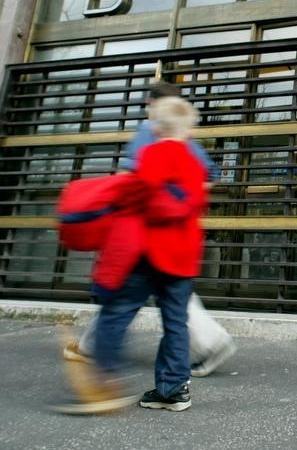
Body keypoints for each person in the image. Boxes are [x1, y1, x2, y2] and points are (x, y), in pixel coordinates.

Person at [62, 82, 236, 378]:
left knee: (119, 304)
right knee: (175, 317)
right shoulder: (188, 145)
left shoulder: (151, 135)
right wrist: (184, 200)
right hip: (182, 247)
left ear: (153, 106)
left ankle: (101, 373)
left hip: (145, 243)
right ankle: (173, 387)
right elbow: (209, 178)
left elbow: (133, 183)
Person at [55, 95, 208, 414]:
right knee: (176, 324)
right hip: (181, 259)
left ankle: (103, 385)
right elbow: (185, 204)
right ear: (188, 131)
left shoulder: (151, 154)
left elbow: (144, 196)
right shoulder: (195, 166)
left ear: (155, 128)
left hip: (145, 254)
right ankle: (172, 390)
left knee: (117, 313)